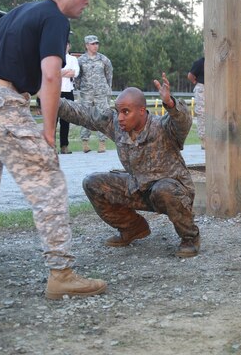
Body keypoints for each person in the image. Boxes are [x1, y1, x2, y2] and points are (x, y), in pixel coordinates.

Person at [0, 0, 107, 300]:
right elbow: (50, 76)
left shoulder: (17, 12)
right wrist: (49, 132)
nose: (87, 1)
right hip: (0, 99)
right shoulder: (55, 17)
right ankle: (61, 273)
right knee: (47, 180)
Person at [57, 73, 201, 258]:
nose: (120, 118)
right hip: (139, 188)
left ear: (142, 111)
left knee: (163, 190)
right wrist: (53, 100)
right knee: (93, 183)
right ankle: (133, 228)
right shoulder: (116, 125)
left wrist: (171, 104)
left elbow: (182, 122)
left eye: (126, 112)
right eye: (118, 112)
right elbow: (84, 114)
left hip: (173, 192)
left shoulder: (163, 127)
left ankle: (190, 237)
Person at [75, 34, 113, 153]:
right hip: (86, 93)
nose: (95, 46)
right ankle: (85, 143)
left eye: (97, 43)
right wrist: (81, 88)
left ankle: (102, 143)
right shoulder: (80, 60)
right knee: (86, 117)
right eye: (93, 44)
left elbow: (109, 74)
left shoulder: (104, 59)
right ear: (87, 45)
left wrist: (107, 88)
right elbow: (77, 77)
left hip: (101, 93)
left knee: (103, 116)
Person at [59, 39, 80, 154]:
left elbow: (75, 73)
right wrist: (66, 71)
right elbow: (52, 72)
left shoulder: (73, 59)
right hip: (55, 91)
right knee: (52, 120)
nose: (64, 46)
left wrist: (61, 72)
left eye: (66, 44)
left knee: (65, 120)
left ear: (69, 46)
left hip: (68, 91)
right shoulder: (55, 58)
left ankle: (64, 146)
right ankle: (50, 146)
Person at [187, 56, 205, 149]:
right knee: (202, 114)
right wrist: (196, 82)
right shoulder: (200, 62)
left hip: (214, 88)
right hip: (202, 88)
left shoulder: (216, 60)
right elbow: (190, 75)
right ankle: (204, 140)